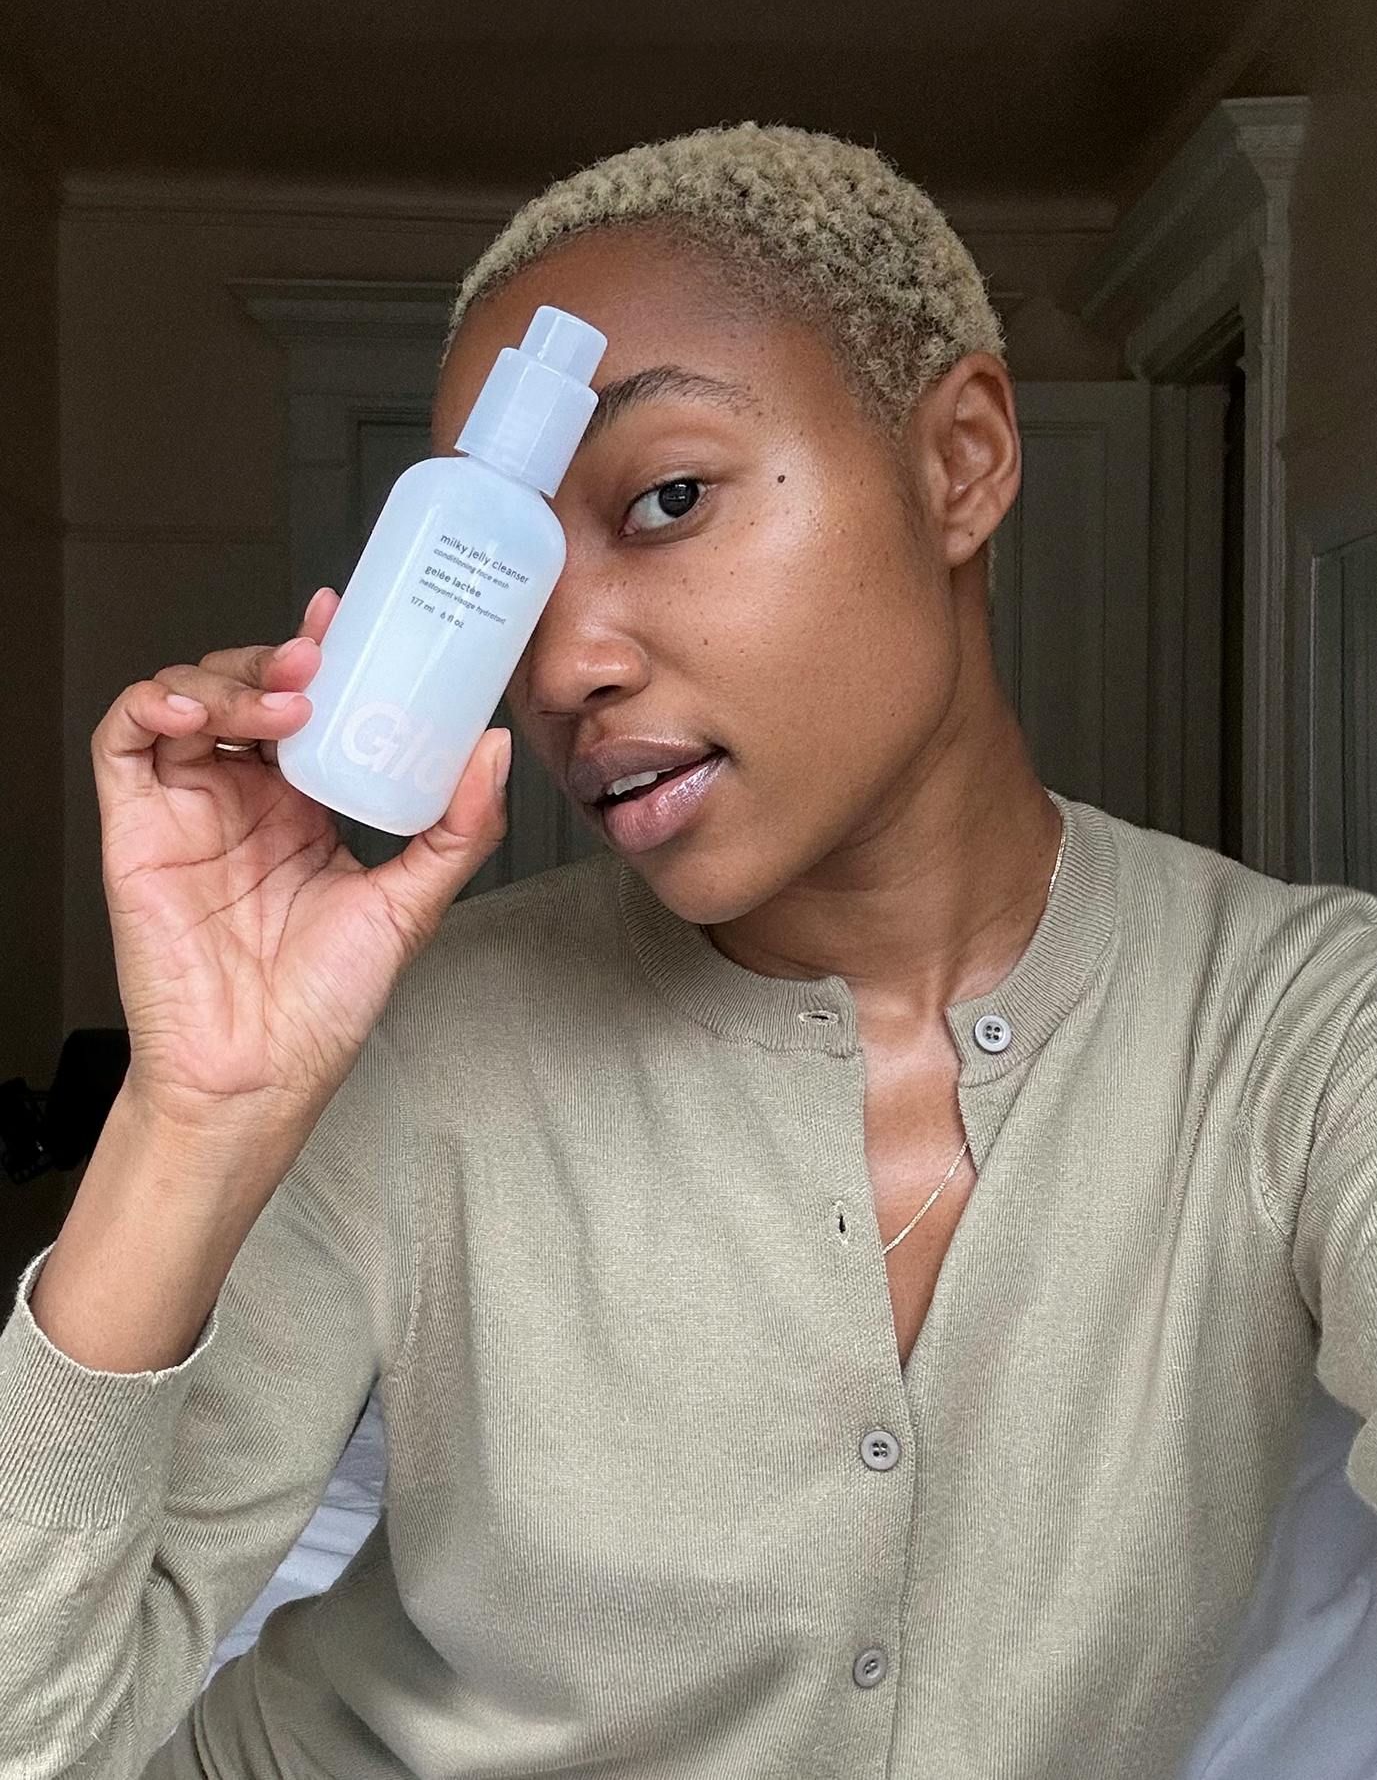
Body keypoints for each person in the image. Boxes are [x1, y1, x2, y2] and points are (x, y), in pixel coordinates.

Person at [1, 121, 1374, 1780]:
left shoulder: (1301, 1026)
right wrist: (199, 1107)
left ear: (959, 460)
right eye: (507, 575)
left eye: (665, 498)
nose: (558, 665)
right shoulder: (425, 1039)